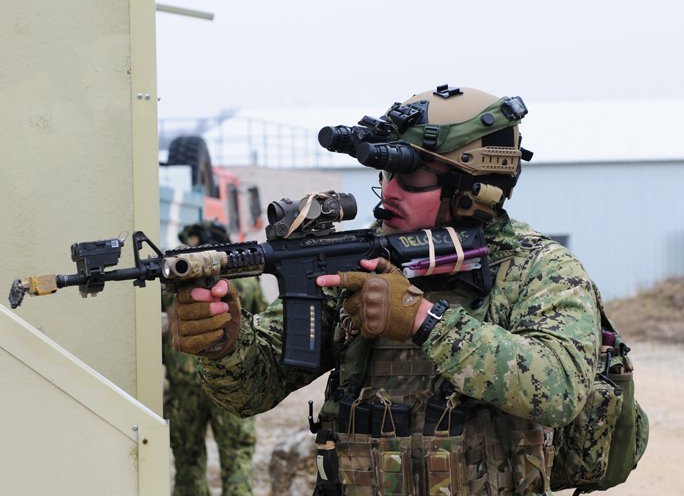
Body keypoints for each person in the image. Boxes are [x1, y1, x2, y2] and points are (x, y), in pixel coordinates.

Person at [169, 85, 603, 495]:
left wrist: (422, 320)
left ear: (473, 188)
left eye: (412, 177)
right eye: (387, 172)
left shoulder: (539, 269)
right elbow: (251, 391)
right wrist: (225, 344)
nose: (389, 191)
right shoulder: (362, 259)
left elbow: (559, 389)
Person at [162, 221, 268, 496]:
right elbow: (262, 324)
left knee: (188, 461)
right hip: (233, 382)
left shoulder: (176, 278)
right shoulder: (245, 279)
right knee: (237, 458)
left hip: (186, 384)